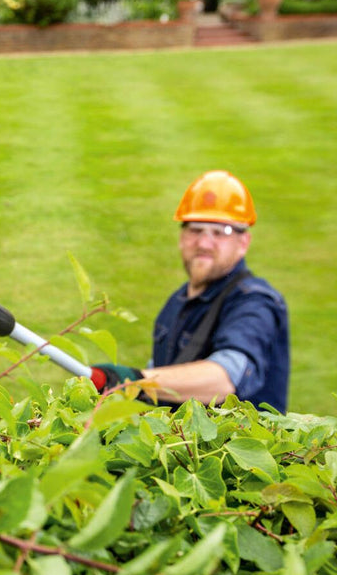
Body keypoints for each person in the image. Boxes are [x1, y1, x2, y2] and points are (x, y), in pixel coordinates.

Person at [91, 171, 290, 413]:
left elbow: (225, 379)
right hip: (180, 445)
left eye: (221, 232)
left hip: (234, 449)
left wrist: (134, 381)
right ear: (181, 237)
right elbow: (164, 376)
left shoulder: (254, 303)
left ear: (243, 243)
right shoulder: (178, 301)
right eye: (196, 229)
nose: (204, 243)